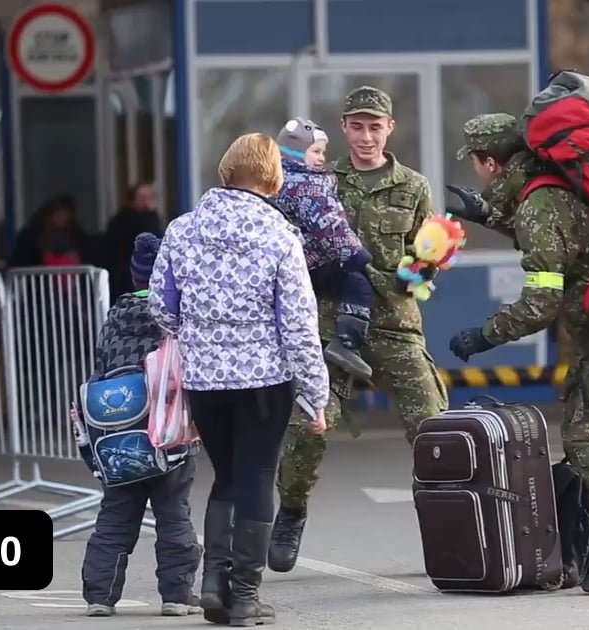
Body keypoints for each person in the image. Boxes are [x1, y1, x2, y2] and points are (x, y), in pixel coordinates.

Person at [446, 113, 589, 595]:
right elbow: (571, 237)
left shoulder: (539, 206)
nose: (476, 172)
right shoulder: (552, 187)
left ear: (490, 162)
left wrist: (485, 335)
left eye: (476, 163)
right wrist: (491, 216)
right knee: (581, 428)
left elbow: (542, 300)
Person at [149, 132, 328, 626]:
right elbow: (298, 324)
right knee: (255, 478)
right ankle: (245, 596)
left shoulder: (182, 230)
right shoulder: (280, 237)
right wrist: (316, 397)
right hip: (265, 381)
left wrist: (200, 333)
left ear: (227, 171)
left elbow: (161, 308)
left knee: (225, 477)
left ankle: (213, 584)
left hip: (205, 380)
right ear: (273, 178)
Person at [269, 86, 449, 574]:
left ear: (390, 129)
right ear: (344, 128)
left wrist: (426, 266)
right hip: (329, 324)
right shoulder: (318, 177)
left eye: (376, 127)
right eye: (357, 126)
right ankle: (291, 511)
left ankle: (448, 526)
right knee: (308, 423)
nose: (366, 136)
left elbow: (428, 252)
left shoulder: (413, 186)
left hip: (396, 325)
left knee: (434, 428)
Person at [78, 233, 203, 618]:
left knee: (116, 514)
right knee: (173, 513)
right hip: (168, 432)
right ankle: (176, 596)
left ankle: (101, 596)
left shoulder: (115, 316)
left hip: (118, 434)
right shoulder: (174, 315)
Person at [272, 117, 375, 380]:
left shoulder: (273, 182)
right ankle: (346, 342)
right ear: (295, 153)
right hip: (315, 263)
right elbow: (330, 226)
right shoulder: (310, 186)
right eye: (316, 152)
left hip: (287, 270)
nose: (321, 158)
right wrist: (354, 254)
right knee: (358, 285)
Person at [103, 183, 164, 297]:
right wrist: (151, 214)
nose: (148, 201)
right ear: (132, 200)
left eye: (150, 196)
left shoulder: (148, 217)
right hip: (128, 277)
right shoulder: (125, 219)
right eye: (142, 198)